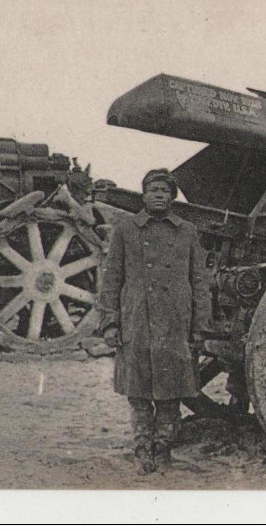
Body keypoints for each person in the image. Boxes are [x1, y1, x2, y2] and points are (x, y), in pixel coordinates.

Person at [97, 169, 213, 474]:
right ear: (143, 195)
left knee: (170, 392)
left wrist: (200, 325)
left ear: (172, 197)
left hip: (176, 322)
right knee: (139, 393)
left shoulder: (187, 231)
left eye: (164, 191)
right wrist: (110, 322)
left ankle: (163, 448)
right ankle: (142, 448)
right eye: (153, 190)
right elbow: (112, 279)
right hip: (137, 319)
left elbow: (199, 280)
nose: (159, 195)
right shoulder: (125, 229)